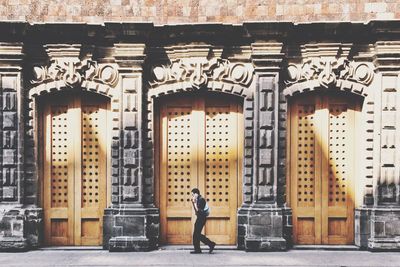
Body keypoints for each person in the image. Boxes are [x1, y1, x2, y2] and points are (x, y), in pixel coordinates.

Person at [190, 188, 216, 254]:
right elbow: (196, 211)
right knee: (196, 234)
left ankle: (210, 244)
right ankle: (198, 249)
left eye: (193, 194)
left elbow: (198, 210)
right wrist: (193, 202)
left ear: (196, 194)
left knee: (197, 234)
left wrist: (195, 202)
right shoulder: (198, 199)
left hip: (202, 218)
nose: (192, 196)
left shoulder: (201, 200)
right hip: (199, 218)